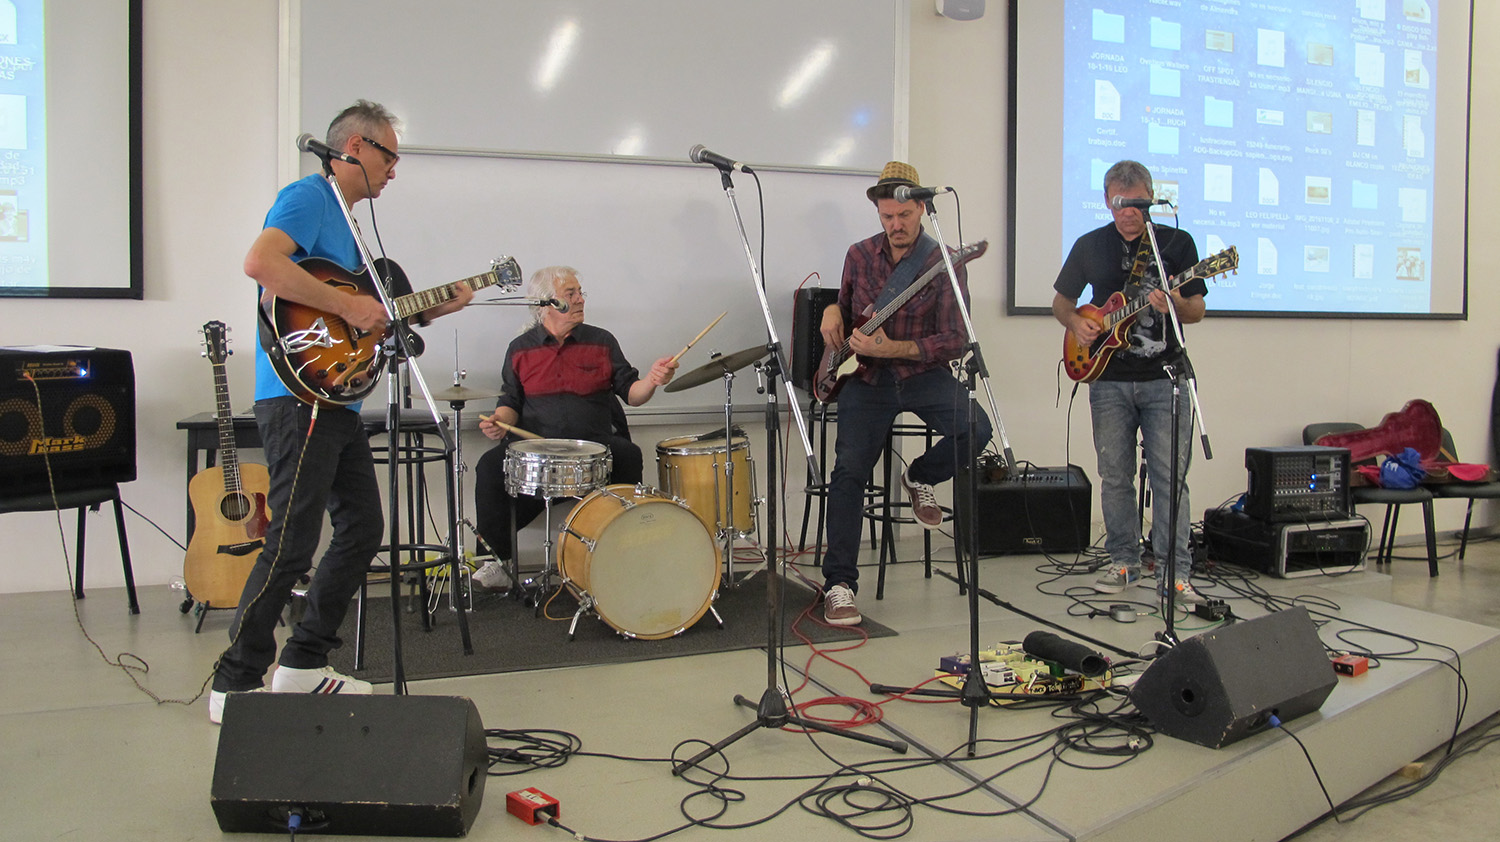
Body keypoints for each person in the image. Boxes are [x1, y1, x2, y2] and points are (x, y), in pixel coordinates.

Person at [210, 100, 473, 723]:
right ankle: (235, 680)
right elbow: (261, 264)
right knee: (291, 541)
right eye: (389, 157)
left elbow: (363, 314)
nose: (394, 171)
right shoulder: (308, 197)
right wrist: (349, 306)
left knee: (361, 530)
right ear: (355, 147)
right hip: (299, 398)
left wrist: (431, 308)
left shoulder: (352, 226)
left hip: (338, 401)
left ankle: (303, 664)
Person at [816, 161, 992, 626]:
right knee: (849, 471)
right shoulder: (859, 254)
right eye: (887, 216)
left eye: (904, 216)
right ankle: (839, 584)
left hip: (920, 374)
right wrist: (832, 310)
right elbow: (848, 307)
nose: (896, 225)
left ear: (922, 209)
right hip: (866, 379)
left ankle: (919, 475)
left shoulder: (944, 261)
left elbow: (955, 338)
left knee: (977, 428)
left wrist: (893, 348)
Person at [1051, 159, 1207, 606]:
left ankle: (1175, 573)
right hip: (1107, 379)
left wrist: (1173, 303)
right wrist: (1077, 324)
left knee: (1170, 478)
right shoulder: (1090, 245)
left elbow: (1196, 311)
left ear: (1150, 199)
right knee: (1114, 475)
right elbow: (1062, 303)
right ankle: (1124, 561)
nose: (1128, 212)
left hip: (1165, 377)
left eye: (1136, 203)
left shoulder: (1176, 244)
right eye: (1119, 204)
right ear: (1107, 201)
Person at [470, 266, 677, 588]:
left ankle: (622, 553)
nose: (581, 299)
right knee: (489, 466)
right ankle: (496, 560)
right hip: (537, 450)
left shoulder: (602, 341)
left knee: (628, 455)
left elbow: (632, 394)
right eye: (571, 294)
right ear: (545, 303)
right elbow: (510, 400)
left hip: (594, 445)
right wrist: (499, 421)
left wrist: (652, 380)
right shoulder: (520, 348)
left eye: (580, 292)